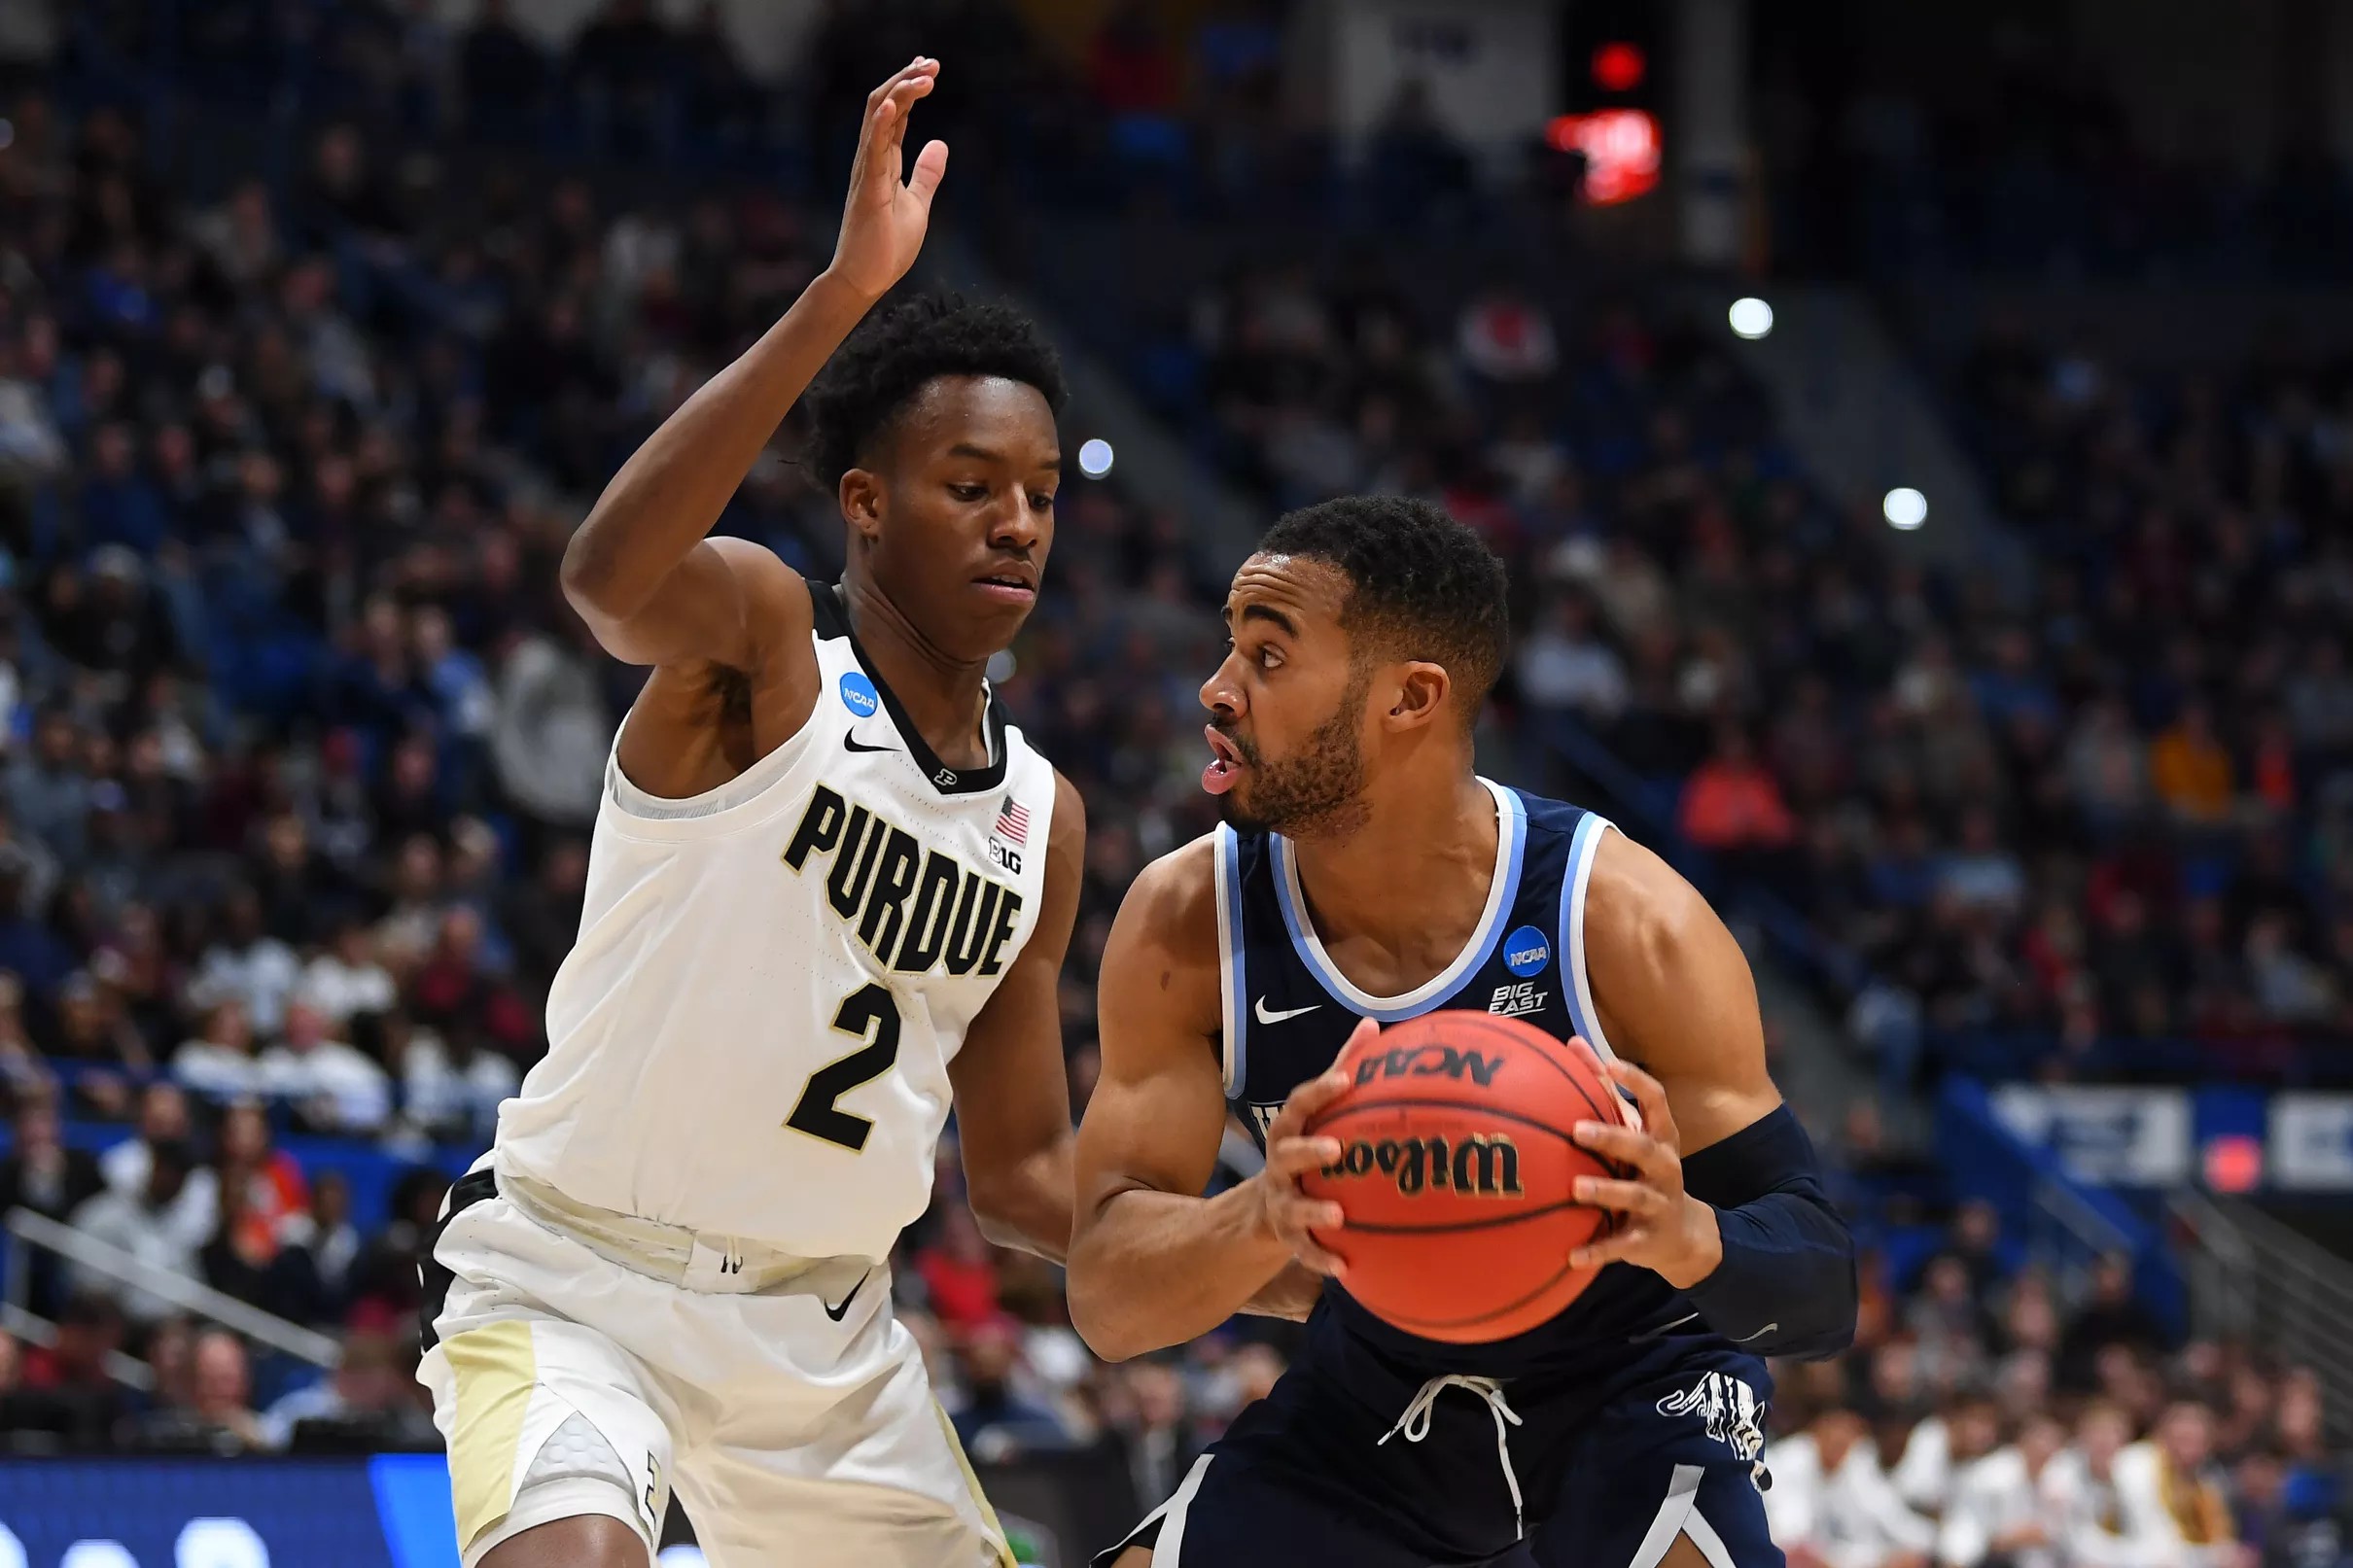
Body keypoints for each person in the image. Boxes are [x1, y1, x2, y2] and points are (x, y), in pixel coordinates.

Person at [418, 58, 1083, 1568]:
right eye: (970, 482)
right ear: (864, 501)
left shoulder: (1045, 814)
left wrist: (1295, 1244)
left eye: (1041, 489)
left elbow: (1034, 1182)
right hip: (584, 1276)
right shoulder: (765, 640)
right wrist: (843, 297)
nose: (1018, 520)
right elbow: (605, 582)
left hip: (824, 1342)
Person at [1068, 497, 1857, 1567]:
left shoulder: (1621, 919)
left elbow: (1818, 1285)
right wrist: (1266, 1210)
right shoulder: (1183, 919)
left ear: (1410, 697)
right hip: (1374, 1388)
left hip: (1635, 1380)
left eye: (1264, 655)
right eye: (1228, 646)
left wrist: (1685, 1233)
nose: (1215, 688)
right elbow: (1108, 1300)